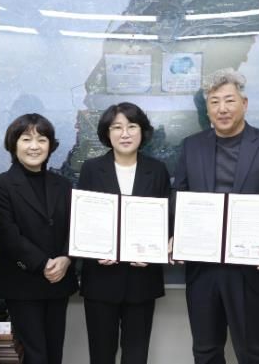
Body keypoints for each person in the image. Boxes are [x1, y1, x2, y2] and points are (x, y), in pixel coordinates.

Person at [172, 68, 259, 364]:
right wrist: (177, 235)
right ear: (207, 109)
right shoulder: (192, 146)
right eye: (214, 102)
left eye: (229, 100)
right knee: (205, 351)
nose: (222, 109)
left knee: (253, 352)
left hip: (249, 269)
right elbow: (179, 194)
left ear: (245, 103)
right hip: (203, 268)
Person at [77, 102, 171, 364]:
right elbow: (83, 220)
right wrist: (94, 251)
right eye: (117, 127)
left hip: (142, 279)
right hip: (100, 278)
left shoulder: (157, 169)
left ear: (143, 131)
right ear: (107, 133)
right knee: (101, 355)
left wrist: (155, 251)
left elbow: (167, 220)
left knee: (136, 356)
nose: (125, 133)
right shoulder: (91, 169)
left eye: (132, 126)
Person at [0, 113, 78, 364]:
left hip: (58, 281)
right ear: (13, 144)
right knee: (34, 356)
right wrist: (43, 264)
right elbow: (7, 234)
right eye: (26, 139)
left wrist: (66, 258)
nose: (34, 146)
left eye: (41, 140)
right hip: (23, 282)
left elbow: (75, 228)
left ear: (50, 146)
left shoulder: (63, 184)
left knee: (54, 353)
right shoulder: (0, 185)